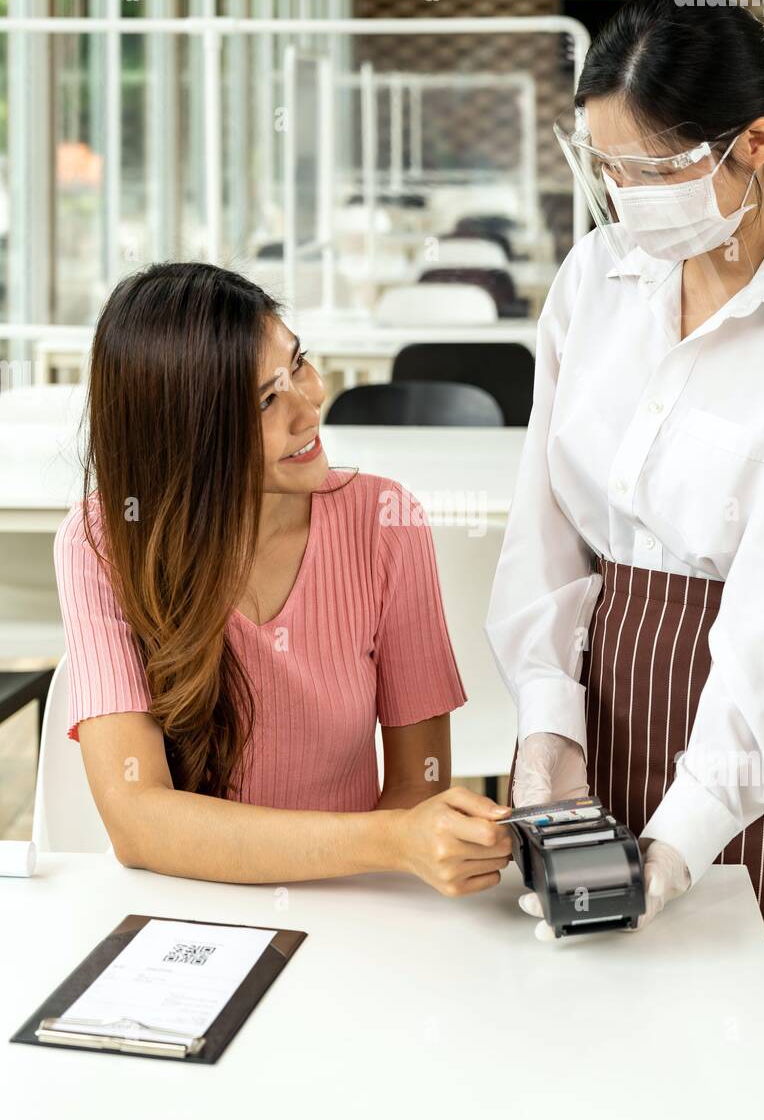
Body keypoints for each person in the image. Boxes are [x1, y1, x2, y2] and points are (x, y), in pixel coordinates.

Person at [485, 0, 764, 1120]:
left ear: (753, 145)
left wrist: (679, 841)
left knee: (753, 1115)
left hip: (744, 760)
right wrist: (548, 719)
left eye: (654, 172)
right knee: (591, 1093)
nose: (625, 203)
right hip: (593, 713)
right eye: (605, 169)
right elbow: (544, 521)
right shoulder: (593, 281)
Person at [54, 262, 513, 896]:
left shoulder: (386, 521)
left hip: (348, 902)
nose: (310, 402)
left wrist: (403, 843)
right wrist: (389, 839)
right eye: (266, 400)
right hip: (185, 904)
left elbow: (418, 784)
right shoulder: (102, 540)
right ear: (186, 433)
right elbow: (136, 819)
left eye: (298, 364)